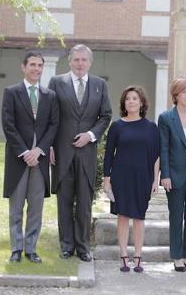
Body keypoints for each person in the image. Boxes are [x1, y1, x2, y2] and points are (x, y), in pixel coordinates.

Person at [49, 44, 112, 262]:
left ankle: (83, 247)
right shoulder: (57, 82)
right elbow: (50, 117)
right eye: (76, 60)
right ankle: (66, 245)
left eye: (84, 60)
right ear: (69, 61)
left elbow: (105, 116)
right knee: (64, 201)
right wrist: (48, 146)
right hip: (62, 152)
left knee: (85, 203)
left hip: (87, 153)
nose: (80, 64)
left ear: (90, 62)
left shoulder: (99, 85)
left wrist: (90, 135)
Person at [2, 52, 59, 264]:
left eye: (40, 65)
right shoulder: (11, 92)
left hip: (40, 160)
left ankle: (31, 249)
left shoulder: (50, 96)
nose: (36, 68)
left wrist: (39, 150)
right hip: (19, 159)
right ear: (23, 67)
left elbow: (54, 125)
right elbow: (8, 124)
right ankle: (16, 249)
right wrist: (25, 152)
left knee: (36, 207)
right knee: (16, 207)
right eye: (32, 64)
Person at [103, 86, 160, 273]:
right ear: (124, 103)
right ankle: (123, 256)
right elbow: (109, 154)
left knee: (139, 217)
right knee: (123, 216)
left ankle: (138, 256)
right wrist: (106, 179)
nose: (131, 101)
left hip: (143, 177)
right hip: (121, 177)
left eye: (135, 98)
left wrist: (155, 180)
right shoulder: (117, 126)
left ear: (141, 102)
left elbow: (156, 156)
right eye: (128, 99)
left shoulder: (151, 127)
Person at [158, 78, 186, 272]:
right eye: (184, 92)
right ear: (176, 95)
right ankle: (176, 256)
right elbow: (164, 148)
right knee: (176, 216)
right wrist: (165, 175)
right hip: (175, 173)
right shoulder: (167, 117)